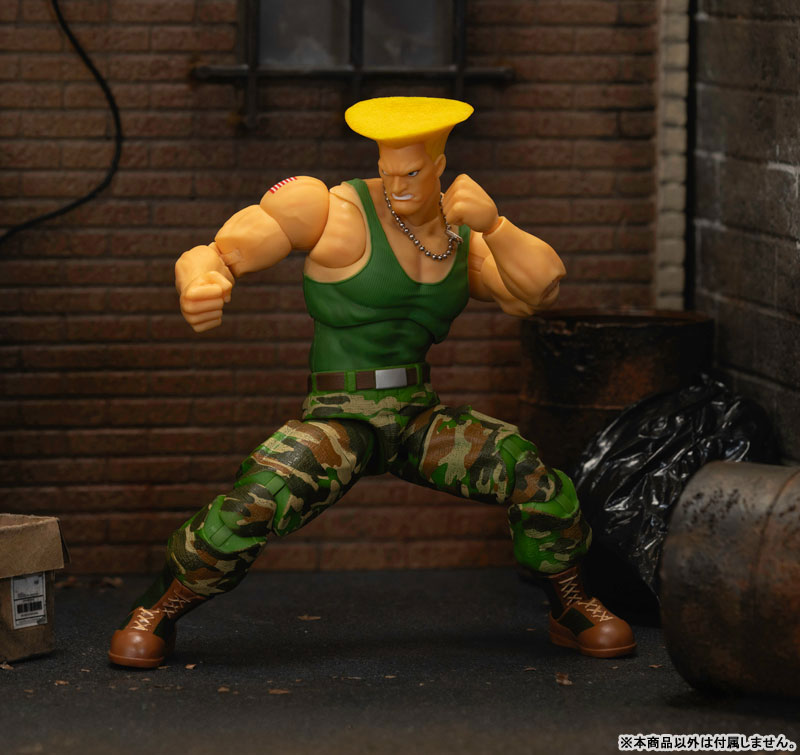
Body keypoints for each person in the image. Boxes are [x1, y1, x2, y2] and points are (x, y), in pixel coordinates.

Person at [108, 97, 635, 668]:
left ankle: (570, 604)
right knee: (258, 498)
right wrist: (199, 283)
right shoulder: (331, 210)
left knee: (525, 468)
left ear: (439, 166)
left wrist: (497, 224)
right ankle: (158, 608)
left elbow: (539, 292)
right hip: (340, 416)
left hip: (417, 415)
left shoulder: (463, 237)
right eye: (388, 171)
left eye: (412, 173)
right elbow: (214, 253)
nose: (397, 185)